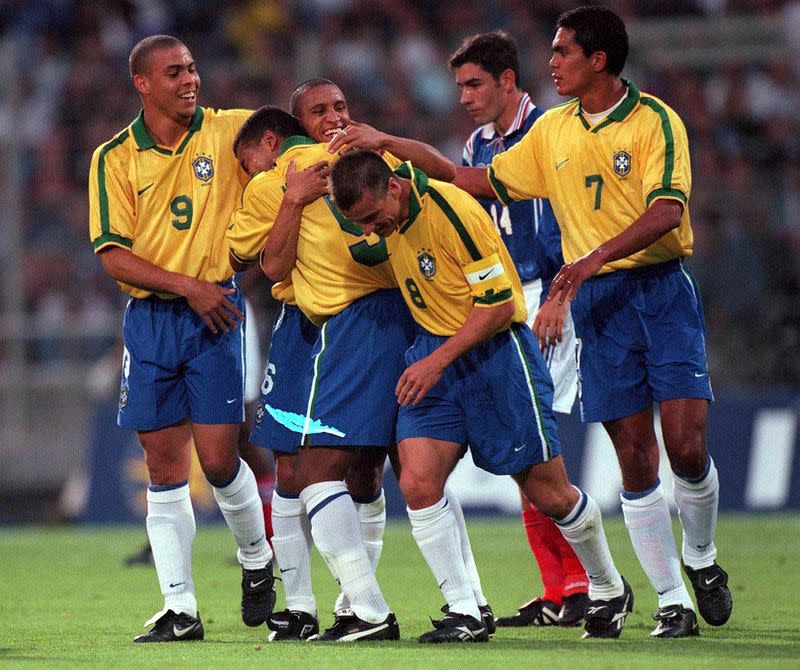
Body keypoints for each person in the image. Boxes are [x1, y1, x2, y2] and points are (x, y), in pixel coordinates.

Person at [453, 6, 733, 638]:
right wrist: (392, 152)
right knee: (635, 455)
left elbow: (667, 211)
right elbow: (475, 179)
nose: (549, 62)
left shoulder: (654, 121)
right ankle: (670, 600)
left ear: (598, 60)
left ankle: (702, 558)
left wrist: (586, 262)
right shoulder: (553, 130)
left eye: (562, 52)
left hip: (659, 294)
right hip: (600, 305)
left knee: (686, 448)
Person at [331, 150, 633, 643]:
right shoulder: (386, 217)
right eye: (359, 222)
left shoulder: (453, 211)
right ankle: (465, 610)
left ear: (395, 188)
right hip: (437, 354)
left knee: (549, 493)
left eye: (372, 217)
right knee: (418, 482)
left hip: (496, 356)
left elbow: (497, 306)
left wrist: (435, 360)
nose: (371, 229)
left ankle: (607, 586)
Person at [88, 35, 275, 643]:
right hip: (151, 322)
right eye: (175, 72)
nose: (190, 79)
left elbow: (287, 138)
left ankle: (256, 558)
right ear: (143, 84)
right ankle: (180, 608)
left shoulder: (227, 131)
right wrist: (183, 286)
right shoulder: (114, 157)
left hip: (215, 312)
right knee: (165, 466)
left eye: (193, 68)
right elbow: (113, 255)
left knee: (221, 461)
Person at [449, 30, 589, 628]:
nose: (464, 96)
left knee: (536, 445)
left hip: (549, 296)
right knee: (521, 446)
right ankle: (557, 588)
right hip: (505, 301)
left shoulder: (551, 132)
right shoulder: (478, 142)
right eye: (459, 86)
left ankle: (582, 582)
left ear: (508, 81)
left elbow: (571, 221)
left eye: (475, 83)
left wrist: (559, 294)